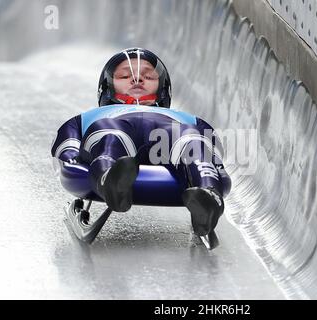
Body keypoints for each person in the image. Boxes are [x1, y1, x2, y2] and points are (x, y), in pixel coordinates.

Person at [51, 48, 231, 236]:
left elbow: (212, 148)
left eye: (148, 77)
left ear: (162, 87)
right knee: (110, 133)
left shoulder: (188, 120)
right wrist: (71, 160)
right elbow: (66, 141)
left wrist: (216, 169)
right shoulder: (91, 117)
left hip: (169, 137)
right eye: (124, 76)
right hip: (116, 127)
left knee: (189, 137)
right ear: (107, 86)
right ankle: (111, 181)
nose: (137, 80)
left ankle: (208, 195)